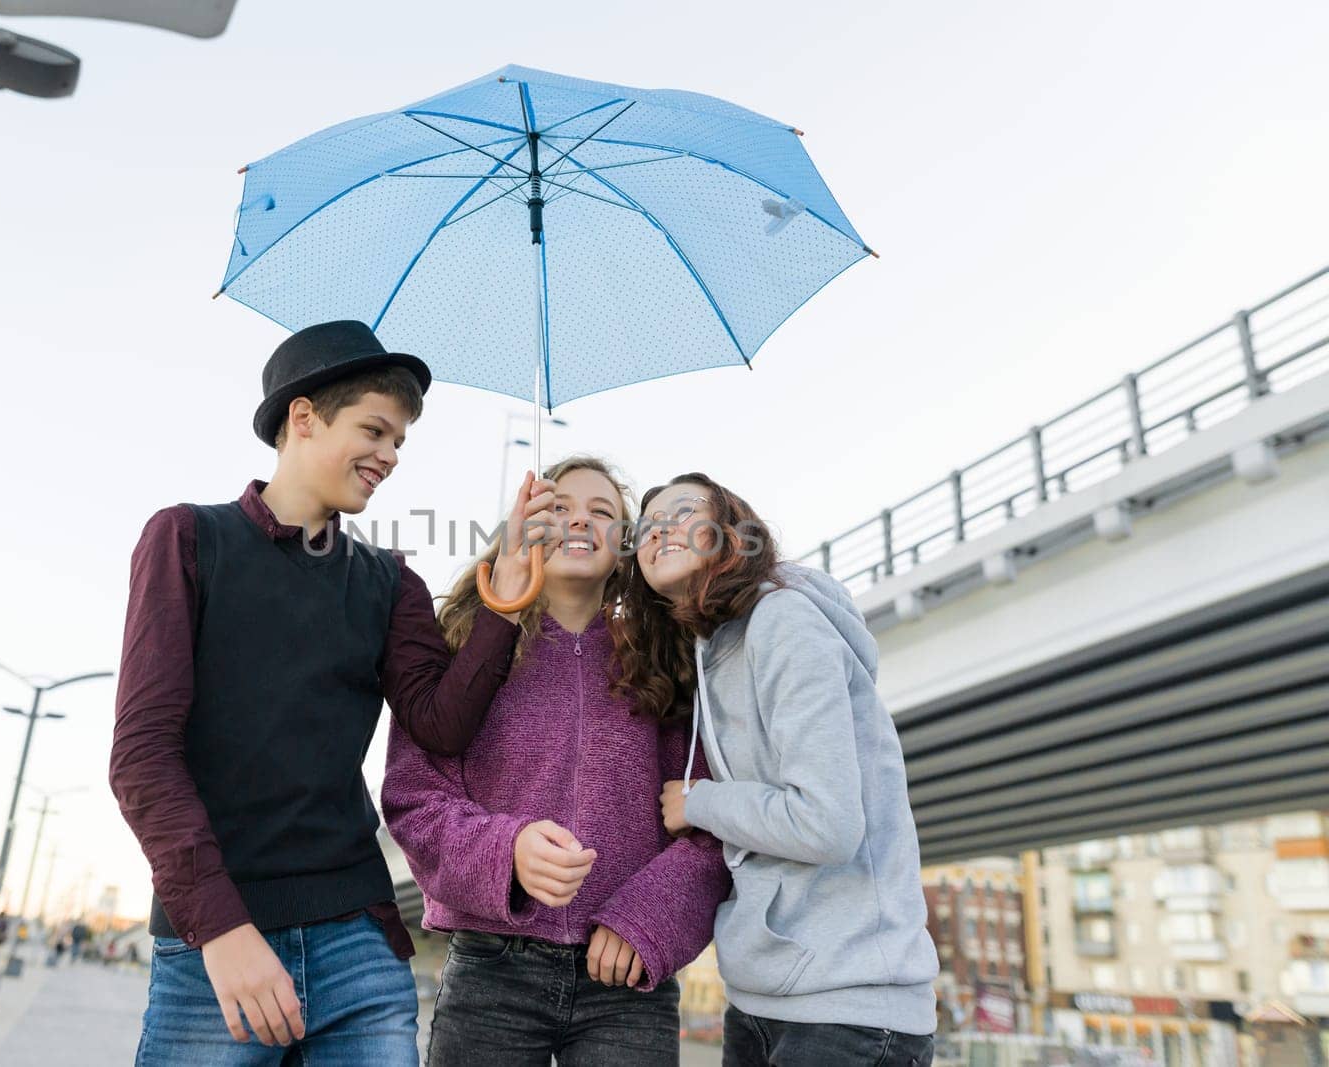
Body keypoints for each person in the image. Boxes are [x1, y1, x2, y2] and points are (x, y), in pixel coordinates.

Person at [110, 320, 557, 1066]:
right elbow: (141, 757)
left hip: (356, 938)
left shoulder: (390, 582)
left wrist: (504, 605)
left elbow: (440, 723)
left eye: (400, 442)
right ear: (304, 417)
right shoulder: (188, 539)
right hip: (214, 943)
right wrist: (220, 930)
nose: (388, 456)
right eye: (375, 430)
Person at [383, 456, 731, 1066]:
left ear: (625, 546)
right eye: (560, 507)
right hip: (491, 971)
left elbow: (712, 827)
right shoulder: (467, 646)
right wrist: (506, 850)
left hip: (626, 980)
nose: (579, 521)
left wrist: (647, 918)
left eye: (602, 512)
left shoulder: (668, 663)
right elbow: (414, 800)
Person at [628, 474, 940, 1067]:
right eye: (645, 525)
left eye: (683, 510)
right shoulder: (714, 648)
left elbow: (826, 822)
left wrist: (700, 803)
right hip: (765, 1004)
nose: (660, 527)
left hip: (849, 1011)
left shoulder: (784, 621)